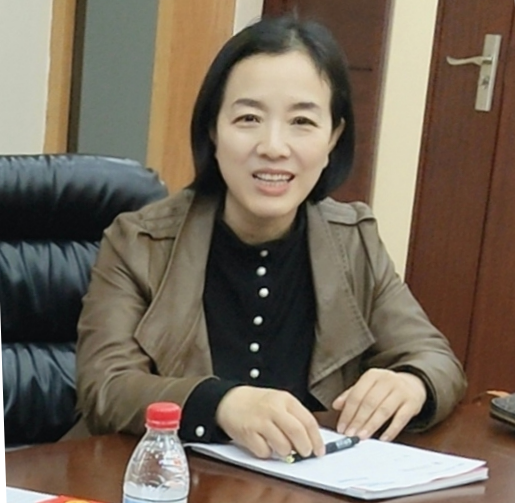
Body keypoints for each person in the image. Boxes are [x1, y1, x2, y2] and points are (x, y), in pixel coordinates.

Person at [76, 15, 467, 460]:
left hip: (310, 484)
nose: (274, 147)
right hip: (169, 480)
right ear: (213, 129)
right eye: (248, 118)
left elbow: (435, 358)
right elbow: (105, 387)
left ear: (333, 138)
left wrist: (412, 383)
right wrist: (222, 403)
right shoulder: (139, 242)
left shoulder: (353, 242)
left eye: (302, 121)